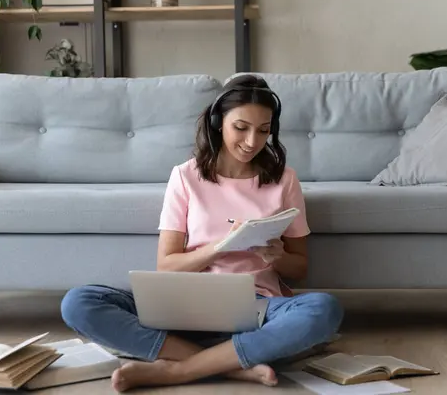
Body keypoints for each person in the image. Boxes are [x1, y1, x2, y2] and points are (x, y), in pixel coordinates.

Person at [60, 74, 345, 392]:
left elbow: (300, 269)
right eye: (241, 128)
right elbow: (166, 266)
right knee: (79, 302)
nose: (252, 141)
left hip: (258, 307)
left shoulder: (284, 180)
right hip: (187, 304)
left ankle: (177, 370)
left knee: (324, 309)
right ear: (217, 121)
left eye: (263, 131)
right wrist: (220, 246)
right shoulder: (185, 176)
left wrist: (277, 257)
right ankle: (234, 366)